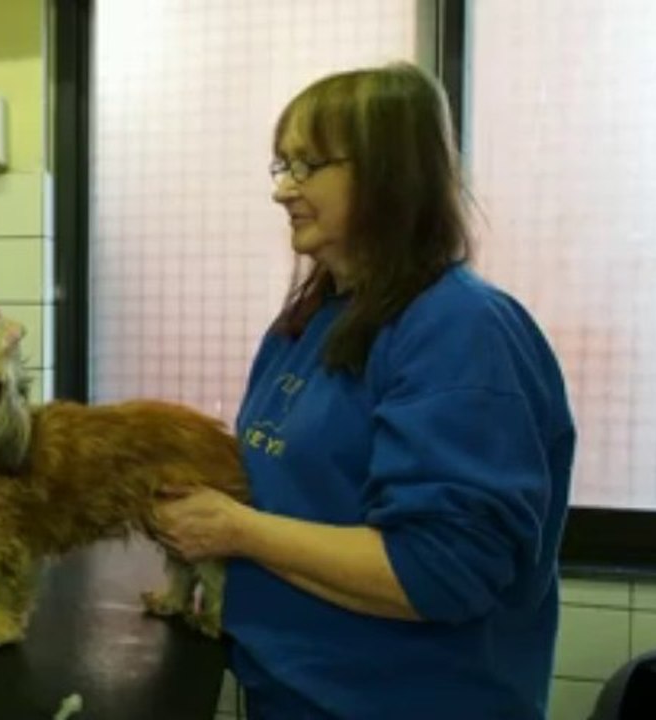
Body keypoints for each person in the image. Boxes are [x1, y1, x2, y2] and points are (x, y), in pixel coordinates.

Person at [153, 62, 575, 719]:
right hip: (288, 693)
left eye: (305, 165)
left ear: (386, 173)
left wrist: (236, 531)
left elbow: (436, 572)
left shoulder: (460, 329)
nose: (281, 191)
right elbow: (294, 490)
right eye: (280, 167)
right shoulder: (308, 324)